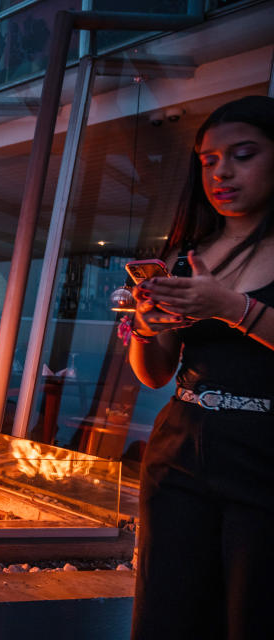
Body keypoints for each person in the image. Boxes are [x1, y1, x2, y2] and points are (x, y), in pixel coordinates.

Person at [128, 95, 274, 640]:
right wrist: (147, 323)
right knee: (167, 615)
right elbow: (154, 373)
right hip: (179, 448)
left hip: (264, 452)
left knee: (252, 616)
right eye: (209, 160)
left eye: (242, 154)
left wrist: (232, 308)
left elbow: (232, 314)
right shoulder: (193, 249)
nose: (222, 172)